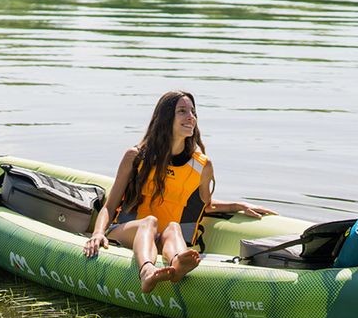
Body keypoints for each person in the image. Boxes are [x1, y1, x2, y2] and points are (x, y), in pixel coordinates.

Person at [83, 90, 275, 293]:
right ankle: (147, 272)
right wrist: (97, 233)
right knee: (149, 222)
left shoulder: (202, 166)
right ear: (166, 119)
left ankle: (177, 263)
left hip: (160, 239)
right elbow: (110, 205)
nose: (190, 117)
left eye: (193, 111)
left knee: (174, 228)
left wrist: (238, 205)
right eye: (182, 111)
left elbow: (204, 206)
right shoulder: (136, 157)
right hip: (126, 232)